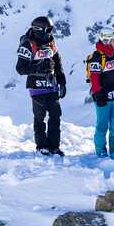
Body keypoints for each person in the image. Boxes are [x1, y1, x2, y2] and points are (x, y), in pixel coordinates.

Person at [14, 15, 66, 155]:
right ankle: (42, 146)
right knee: (40, 116)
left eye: (51, 29)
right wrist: (37, 68)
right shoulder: (28, 44)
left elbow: (58, 62)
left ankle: (54, 146)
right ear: (39, 30)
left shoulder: (50, 42)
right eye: (48, 29)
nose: (50, 33)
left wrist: (62, 81)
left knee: (56, 115)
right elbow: (20, 68)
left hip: (52, 83)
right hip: (36, 85)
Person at [84, 26, 114, 158]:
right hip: (103, 98)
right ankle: (101, 151)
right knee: (102, 124)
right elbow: (94, 78)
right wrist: (98, 94)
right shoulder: (97, 57)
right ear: (107, 40)